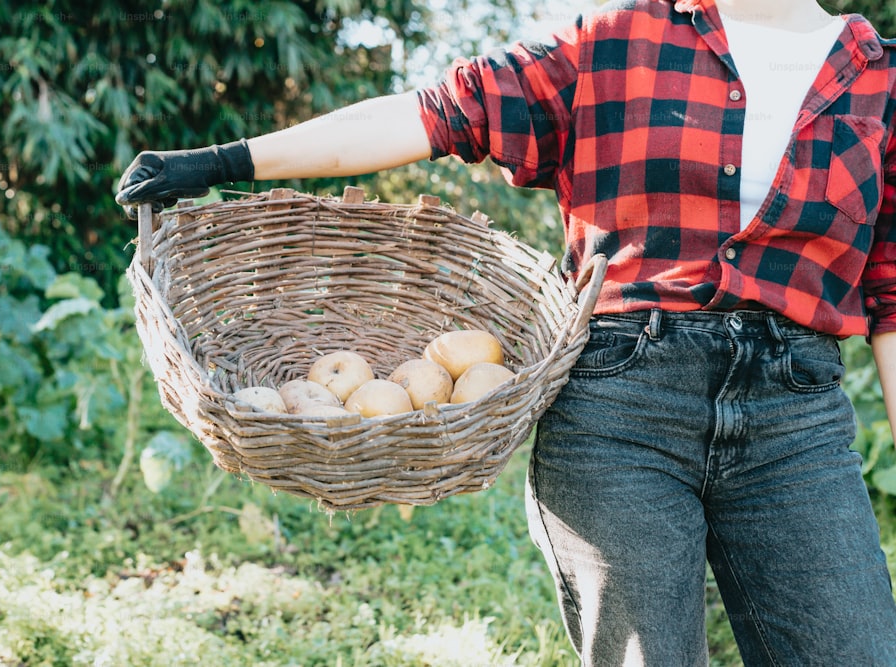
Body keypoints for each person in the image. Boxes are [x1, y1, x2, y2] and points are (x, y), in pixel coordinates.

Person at [116, 0, 896, 663]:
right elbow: (435, 112)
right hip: (624, 407)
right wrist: (227, 160)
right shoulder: (619, 36)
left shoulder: (877, 78)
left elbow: (893, 298)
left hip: (795, 421)